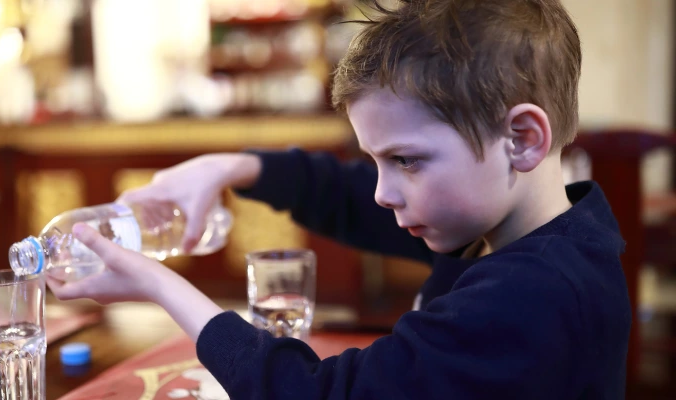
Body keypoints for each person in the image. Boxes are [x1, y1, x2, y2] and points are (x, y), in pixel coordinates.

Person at [47, 0, 632, 398]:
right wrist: (226, 166)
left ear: (522, 139)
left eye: (405, 159)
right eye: (376, 161)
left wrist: (157, 283)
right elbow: (341, 193)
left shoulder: (534, 294)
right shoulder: (508, 228)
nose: (382, 191)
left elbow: (316, 393)